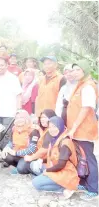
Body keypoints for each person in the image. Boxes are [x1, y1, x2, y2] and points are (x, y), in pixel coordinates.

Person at [66, 62, 98, 200]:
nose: (74, 72)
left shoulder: (88, 87)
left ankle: (94, 189)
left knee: (89, 158)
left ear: (85, 70)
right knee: (82, 158)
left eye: (78, 69)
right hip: (77, 130)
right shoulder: (80, 85)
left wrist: (74, 127)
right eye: (73, 70)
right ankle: (85, 183)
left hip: (84, 129)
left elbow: (86, 108)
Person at [32, 116, 79, 199]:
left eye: (54, 126)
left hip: (66, 173)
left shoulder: (65, 143)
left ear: (60, 126)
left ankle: (65, 188)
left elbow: (61, 165)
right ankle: (57, 182)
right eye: (50, 127)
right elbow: (54, 157)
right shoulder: (55, 139)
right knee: (34, 165)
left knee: (36, 183)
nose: (51, 129)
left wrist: (47, 171)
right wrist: (41, 160)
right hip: (56, 169)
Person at [0, 57, 22, 149]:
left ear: (6, 65)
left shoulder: (13, 78)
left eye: (2, 65)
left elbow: (18, 95)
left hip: (10, 112)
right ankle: (1, 152)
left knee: (7, 134)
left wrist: (19, 110)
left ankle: (5, 155)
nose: (0, 67)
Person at [17, 109, 57, 175]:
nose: (42, 119)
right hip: (41, 156)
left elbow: (44, 149)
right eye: (41, 117)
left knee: (21, 167)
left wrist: (31, 158)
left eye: (45, 117)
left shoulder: (51, 130)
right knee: (21, 164)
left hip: (46, 158)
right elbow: (44, 140)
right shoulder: (46, 129)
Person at [0, 110, 39, 174]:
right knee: (5, 155)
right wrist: (6, 148)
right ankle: (19, 165)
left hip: (28, 156)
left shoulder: (33, 130)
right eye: (17, 118)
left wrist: (16, 153)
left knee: (21, 169)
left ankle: (25, 166)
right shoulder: (14, 128)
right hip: (17, 154)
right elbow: (11, 142)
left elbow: (32, 149)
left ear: (26, 118)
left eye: (21, 117)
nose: (19, 120)